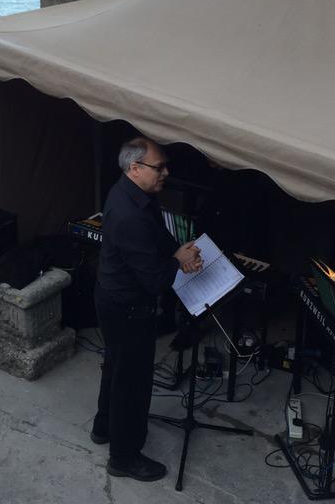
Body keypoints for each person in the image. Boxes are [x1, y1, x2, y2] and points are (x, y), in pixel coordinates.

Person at [90, 137, 203, 482]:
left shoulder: (135, 194)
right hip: (127, 308)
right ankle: (123, 458)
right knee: (132, 384)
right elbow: (154, 281)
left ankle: (104, 428)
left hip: (115, 300)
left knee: (116, 367)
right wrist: (178, 261)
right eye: (159, 167)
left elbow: (157, 237)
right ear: (135, 168)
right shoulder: (128, 215)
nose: (165, 173)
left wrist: (177, 251)